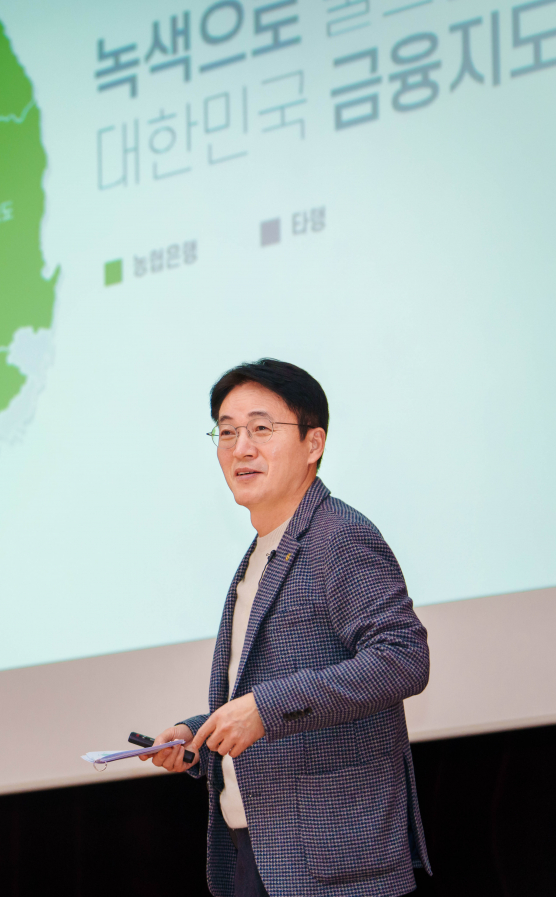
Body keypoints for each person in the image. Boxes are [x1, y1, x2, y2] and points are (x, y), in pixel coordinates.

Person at [142, 359, 431, 897]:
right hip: (261, 854)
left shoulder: (338, 536)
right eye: (227, 432)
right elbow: (274, 692)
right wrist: (197, 734)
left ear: (313, 443)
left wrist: (263, 710)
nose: (241, 448)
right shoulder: (263, 552)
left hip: (333, 866)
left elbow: (402, 657)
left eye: (261, 428)